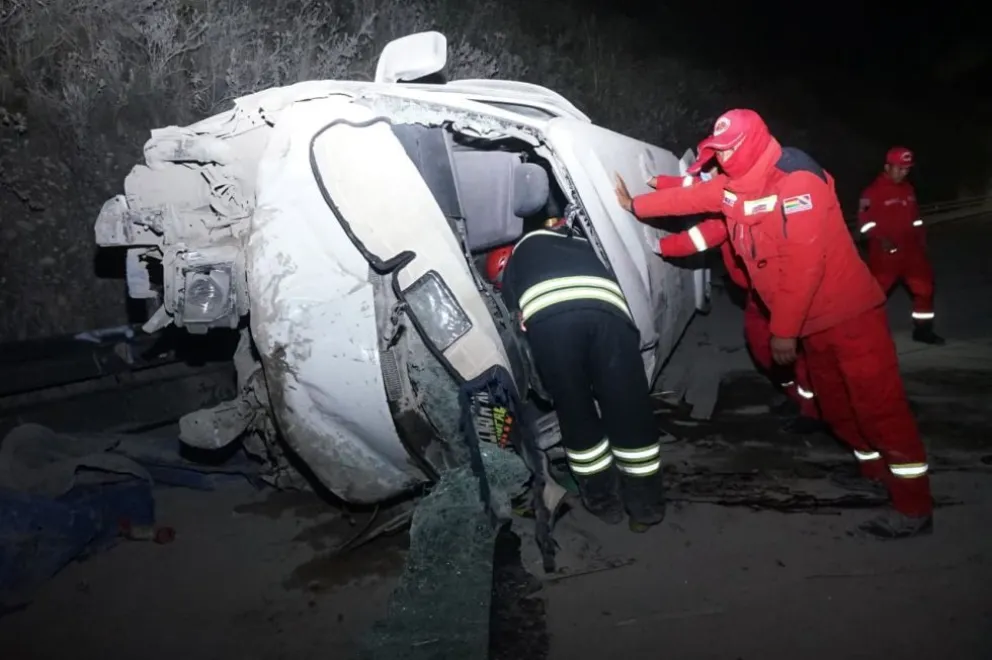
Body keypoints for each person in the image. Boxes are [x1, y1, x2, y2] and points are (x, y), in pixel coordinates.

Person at [614, 109, 933, 539]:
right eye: (717, 152)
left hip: (849, 317)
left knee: (879, 407)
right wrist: (635, 204)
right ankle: (874, 473)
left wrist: (783, 329)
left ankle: (914, 508)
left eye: (727, 151)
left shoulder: (798, 180)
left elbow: (804, 266)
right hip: (813, 325)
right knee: (836, 406)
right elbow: (695, 197)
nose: (721, 159)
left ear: (749, 145)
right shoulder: (737, 184)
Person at [485, 219, 667, 532]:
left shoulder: (515, 265)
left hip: (554, 327)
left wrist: (545, 383)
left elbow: (519, 332)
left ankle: (603, 502)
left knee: (576, 413)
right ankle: (646, 507)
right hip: (608, 314)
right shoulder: (578, 237)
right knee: (629, 408)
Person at [648, 173, 821, 433]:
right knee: (763, 347)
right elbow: (692, 187)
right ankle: (796, 395)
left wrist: (655, 244)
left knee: (793, 351)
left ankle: (813, 411)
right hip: (757, 293)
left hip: (779, 291)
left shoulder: (738, 203)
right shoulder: (722, 190)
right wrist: (657, 182)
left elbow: (699, 237)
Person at [858, 147, 944, 345]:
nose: (904, 173)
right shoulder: (872, 193)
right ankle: (865, 333)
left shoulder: (908, 190)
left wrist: (922, 242)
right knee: (874, 297)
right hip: (885, 256)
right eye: (900, 168)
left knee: (925, 290)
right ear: (887, 167)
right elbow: (864, 225)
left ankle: (923, 330)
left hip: (912, 253)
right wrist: (880, 239)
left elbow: (915, 220)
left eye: (907, 169)